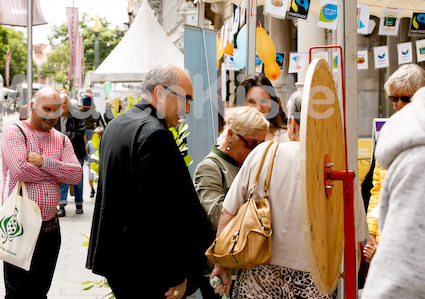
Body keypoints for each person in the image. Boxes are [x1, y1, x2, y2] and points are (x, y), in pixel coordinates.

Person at [87, 64, 208, 299]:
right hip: (148, 270)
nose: (188, 109)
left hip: (119, 262)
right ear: (160, 93)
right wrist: (175, 273)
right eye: (186, 99)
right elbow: (158, 213)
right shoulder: (155, 133)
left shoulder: (116, 124)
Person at [210, 91, 333, 299]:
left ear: (292, 124)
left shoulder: (263, 153)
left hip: (260, 274)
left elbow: (227, 213)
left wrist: (222, 265)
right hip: (315, 277)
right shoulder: (334, 166)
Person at [0, 87, 82, 298]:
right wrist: (56, 173)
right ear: (33, 107)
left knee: (40, 291)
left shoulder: (62, 139)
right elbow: (19, 170)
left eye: (56, 111)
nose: (52, 116)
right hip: (19, 225)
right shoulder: (15, 133)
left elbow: (75, 175)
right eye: (46, 109)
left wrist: (44, 162)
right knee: (17, 292)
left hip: (49, 227)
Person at [194, 106, 269, 299]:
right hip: (224, 270)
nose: (256, 151)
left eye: (261, 145)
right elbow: (216, 216)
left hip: (248, 267)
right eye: (251, 144)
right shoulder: (210, 168)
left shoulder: (247, 164)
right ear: (230, 134)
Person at [361, 87, 425, 298]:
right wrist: (371, 233)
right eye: (393, 98)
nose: (398, 104)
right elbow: (376, 192)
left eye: (404, 98)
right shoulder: (415, 157)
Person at [219, 74, 288, 143]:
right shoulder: (228, 136)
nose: (258, 108)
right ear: (241, 104)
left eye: (264, 101)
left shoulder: (285, 139)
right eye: (251, 101)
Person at [54, 93, 86, 217]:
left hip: (76, 151)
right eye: (60, 103)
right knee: (62, 178)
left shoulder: (77, 115)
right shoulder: (55, 116)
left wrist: (64, 137)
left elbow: (80, 131)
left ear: (69, 104)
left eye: (65, 103)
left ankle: (79, 203)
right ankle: (61, 205)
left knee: (78, 178)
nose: (63, 106)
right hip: (60, 152)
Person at [85, 126, 103, 198]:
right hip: (91, 163)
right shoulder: (89, 143)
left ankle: (99, 191)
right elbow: (87, 151)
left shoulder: (102, 143)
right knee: (90, 178)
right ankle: (92, 189)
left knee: (99, 179)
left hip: (99, 164)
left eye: (99, 135)